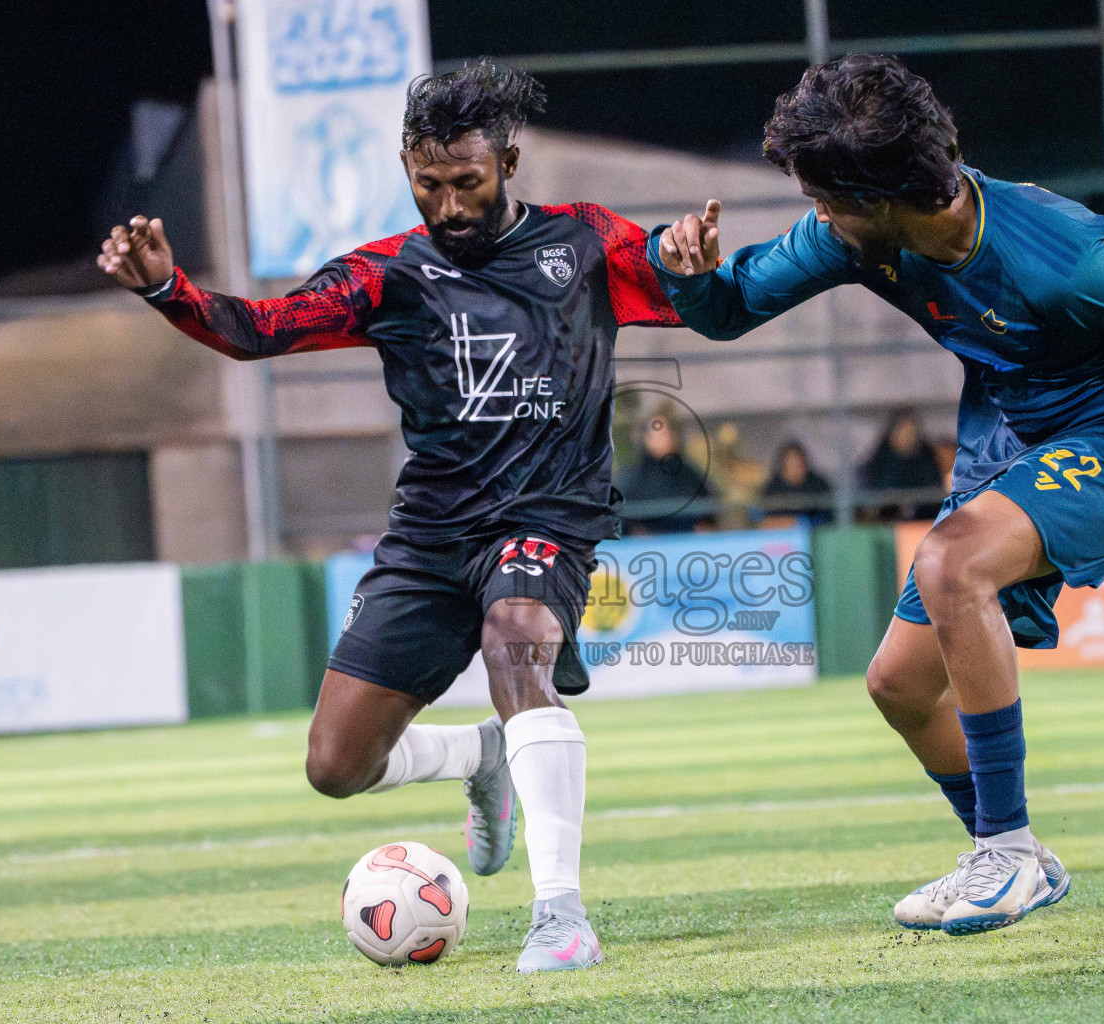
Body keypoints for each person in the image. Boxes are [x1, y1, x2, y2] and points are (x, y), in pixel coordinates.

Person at [649, 55, 1104, 936]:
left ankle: (1011, 849)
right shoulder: (853, 235)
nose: (818, 214)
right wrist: (689, 274)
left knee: (952, 561)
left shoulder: (1054, 259)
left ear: (880, 197)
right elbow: (730, 309)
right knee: (899, 686)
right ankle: (1009, 858)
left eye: (825, 199)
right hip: (1006, 443)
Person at [98, 59, 682, 972]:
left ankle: (560, 915)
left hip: (544, 520)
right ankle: (478, 759)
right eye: (428, 184)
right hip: (430, 538)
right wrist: (170, 290)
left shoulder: (584, 242)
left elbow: (681, 286)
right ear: (407, 168)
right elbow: (262, 329)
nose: (447, 205)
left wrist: (684, 259)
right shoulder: (387, 275)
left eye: (468, 183)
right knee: (335, 766)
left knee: (517, 633)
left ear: (511, 161)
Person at [615, 402, 713, 533]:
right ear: (646, 438)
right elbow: (623, 520)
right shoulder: (633, 478)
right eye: (655, 435)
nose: (661, 440)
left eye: (664, 434)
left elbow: (707, 511)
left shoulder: (689, 474)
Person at [859, 410, 944, 520]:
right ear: (892, 433)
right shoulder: (878, 463)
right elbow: (874, 498)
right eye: (902, 432)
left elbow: (934, 495)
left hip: (922, 522)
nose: (907, 437)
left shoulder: (926, 461)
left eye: (911, 432)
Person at [760, 439, 832, 524]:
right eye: (791, 464)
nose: (795, 468)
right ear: (783, 465)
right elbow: (764, 519)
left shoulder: (818, 486)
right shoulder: (772, 488)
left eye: (798, 464)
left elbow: (828, 517)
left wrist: (801, 521)